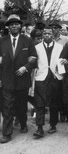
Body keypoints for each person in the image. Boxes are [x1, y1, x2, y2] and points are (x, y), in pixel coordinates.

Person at [0, 14, 37, 143]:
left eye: (16, 24)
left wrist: (25, 67)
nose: (14, 26)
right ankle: (7, 133)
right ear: (8, 27)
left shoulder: (27, 40)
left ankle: (23, 124)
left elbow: (33, 58)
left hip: (22, 80)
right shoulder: (2, 41)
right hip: (7, 80)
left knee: (21, 106)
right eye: (11, 24)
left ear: (20, 26)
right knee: (7, 106)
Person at [33, 26, 65, 138]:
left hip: (54, 77)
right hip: (41, 77)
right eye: (45, 34)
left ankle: (53, 124)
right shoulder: (37, 47)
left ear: (53, 35)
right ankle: (39, 128)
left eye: (49, 34)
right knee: (39, 103)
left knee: (54, 103)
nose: (47, 36)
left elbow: (63, 60)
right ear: (42, 35)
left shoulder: (60, 47)